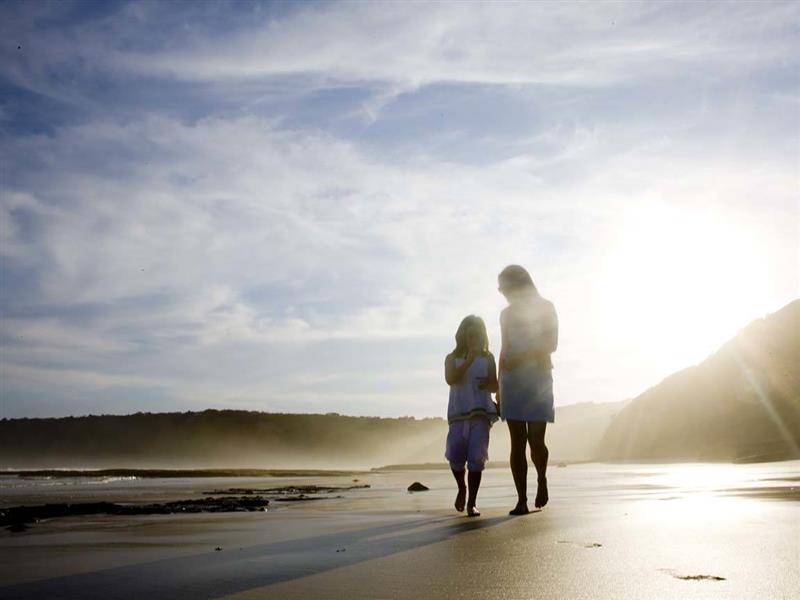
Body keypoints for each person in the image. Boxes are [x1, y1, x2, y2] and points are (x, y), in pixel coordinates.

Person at [497, 265, 558, 515]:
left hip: (537, 380)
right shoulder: (506, 314)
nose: (501, 292)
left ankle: (541, 479)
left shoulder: (546, 307)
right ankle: (521, 500)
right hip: (511, 380)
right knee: (517, 442)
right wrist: (499, 387)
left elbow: (551, 344)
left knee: (536, 440)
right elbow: (504, 348)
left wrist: (521, 360)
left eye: (503, 287)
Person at [444, 315, 499, 517]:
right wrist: (468, 361)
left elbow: (495, 385)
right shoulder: (452, 358)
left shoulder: (488, 358)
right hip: (458, 413)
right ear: (463, 334)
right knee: (455, 453)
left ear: (481, 335)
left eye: (476, 332)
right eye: (469, 331)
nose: (473, 335)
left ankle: (472, 503)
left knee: (477, 457)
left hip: (481, 413)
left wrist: (490, 384)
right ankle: (461, 487)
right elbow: (450, 379)